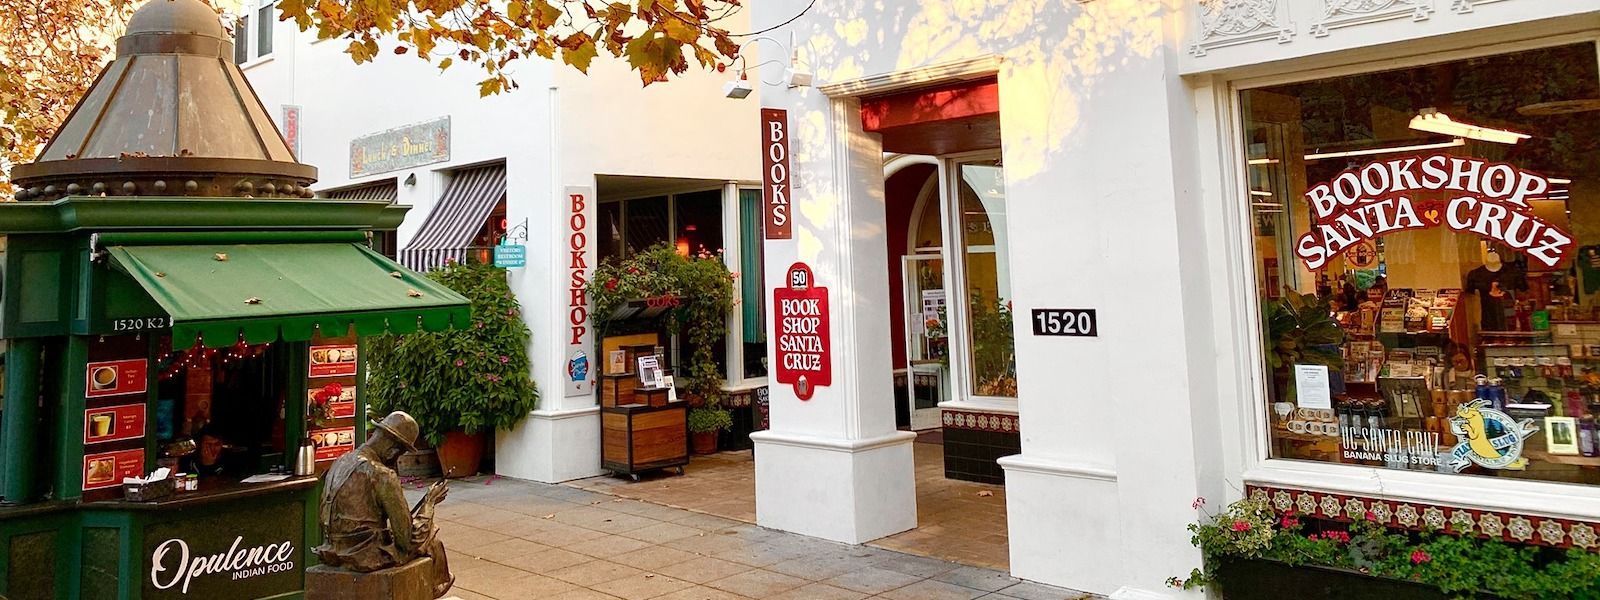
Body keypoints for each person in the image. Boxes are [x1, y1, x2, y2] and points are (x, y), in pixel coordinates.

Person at [313, 411, 452, 597]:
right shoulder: (381, 474)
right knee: (432, 540)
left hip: (332, 548)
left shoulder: (340, 462)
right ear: (393, 450)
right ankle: (434, 590)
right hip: (364, 554)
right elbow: (406, 539)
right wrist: (429, 503)